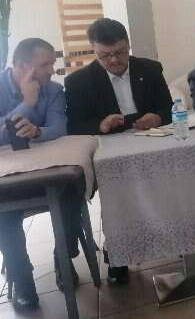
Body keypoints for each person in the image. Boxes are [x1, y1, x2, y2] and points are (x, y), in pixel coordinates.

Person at [65, 18, 174, 285]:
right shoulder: (79, 81)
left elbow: (168, 108)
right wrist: (100, 125)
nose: (114, 60)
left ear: (128, 45)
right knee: (119, 199)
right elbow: (74, 126)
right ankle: (118, 254)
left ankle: (186, 242)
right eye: (105, 55)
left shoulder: (149, 69)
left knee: (174, 183)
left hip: (152, 139)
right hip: (110, 146)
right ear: (94, 50)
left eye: (120, 52)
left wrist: (158, 117)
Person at [0, 38, 79, 312]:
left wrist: (37, 131)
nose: (51, 70)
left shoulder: (54, 90)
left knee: (73, 189)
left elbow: (58, 128)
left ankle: (62, 258)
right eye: (45, 65)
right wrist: (27, 103)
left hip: (48, 172)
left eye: (51, 64)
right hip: (8, 178)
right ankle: (22, 278)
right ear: (22, 66)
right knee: (3, 211)